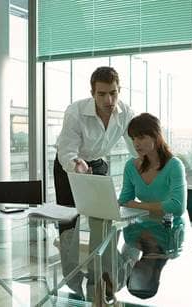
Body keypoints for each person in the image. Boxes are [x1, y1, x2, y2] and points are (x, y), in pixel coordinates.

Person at [53, 66, 135, 297]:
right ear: (92, 92)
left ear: (119, 90)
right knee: (69, 219)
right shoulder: (75, 112)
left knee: (102, 219)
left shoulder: (126, 113)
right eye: (102, 94)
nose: (109, 100)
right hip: (69, 166)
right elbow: (66, 150)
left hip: (98, 165)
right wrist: (76, 165)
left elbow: (135, 147)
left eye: (113, 93)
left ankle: (98, 278)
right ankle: (72, 281)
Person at [118, 112, 187, 219]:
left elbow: (177, 207)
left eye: (141, 138)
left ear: (156, 136)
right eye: (133, 138)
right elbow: (125, 201)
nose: (136, 144)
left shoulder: (174, 166)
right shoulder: (131, 166)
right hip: (141, 226)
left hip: (170, 226)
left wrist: (139, 206)